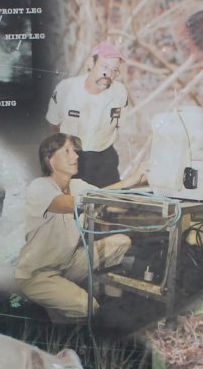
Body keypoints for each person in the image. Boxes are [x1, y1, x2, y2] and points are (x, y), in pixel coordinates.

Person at [18, 133, 145, 322]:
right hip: (39, 274)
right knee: (87, 307)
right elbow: (72, 203)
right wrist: (128, 182)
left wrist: (137, 182)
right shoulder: (39, 187)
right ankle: (62, 313)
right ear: (50, 160)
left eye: (75, 151)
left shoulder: (77, 185)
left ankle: (78, 297)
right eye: (67, 151)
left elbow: (104, 198)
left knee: (121, 242)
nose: (76, 156)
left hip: (69, 262)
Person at [46, 40, 131, 187]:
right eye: (104, 66)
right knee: (72, 206)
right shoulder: (65, 89)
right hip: (72, 158)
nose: (108, 74)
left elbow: (119, 124)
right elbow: (54, 125)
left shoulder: (120, 92)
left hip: (105, 159)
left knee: (111, 205)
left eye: (114, 69)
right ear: (91, 63)